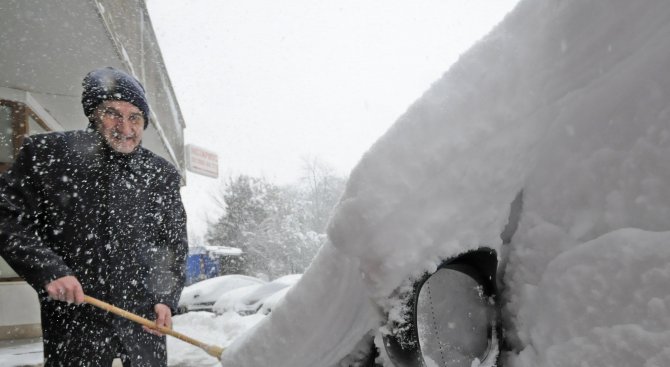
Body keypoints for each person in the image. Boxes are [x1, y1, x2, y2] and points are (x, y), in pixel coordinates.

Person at [0, 67, 188, 366]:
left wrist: (164, 298)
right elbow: (6, 217)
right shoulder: (49, 155)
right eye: (113, 113)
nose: (125, 128)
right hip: (75, 323)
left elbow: (171, 245)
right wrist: (49, 270)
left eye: (134, 118)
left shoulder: (160, 175)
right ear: (94, 114)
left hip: (142, 323)